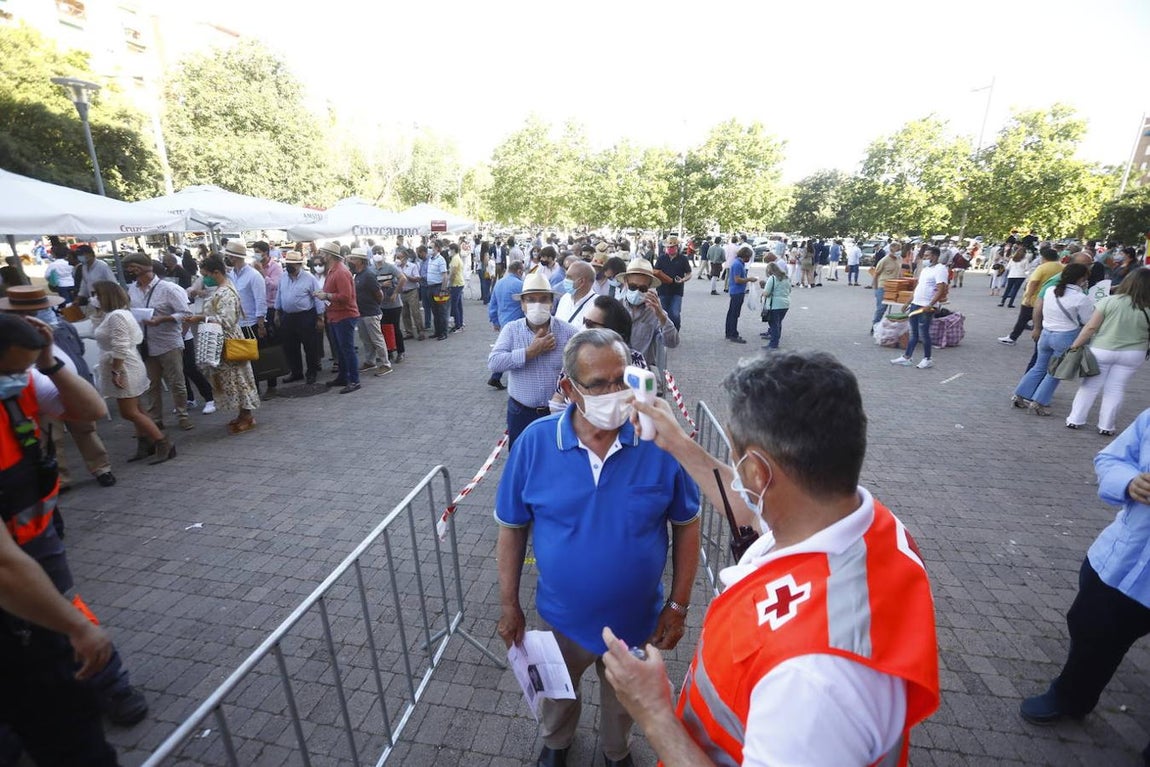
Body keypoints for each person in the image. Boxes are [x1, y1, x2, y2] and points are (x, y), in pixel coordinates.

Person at [601, 351, 939, 767]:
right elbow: (750, 509)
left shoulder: (813, 682)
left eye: (738, 458)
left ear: (760, 472)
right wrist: (675, 442)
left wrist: (653, 713)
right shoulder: (857, 520)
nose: (737, 472)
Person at [496, 328, 700, 767]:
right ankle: (556, 743)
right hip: (560, 619)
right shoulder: (535, 442)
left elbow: (687, 523)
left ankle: (616, 750)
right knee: (557, 693)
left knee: (626, 702)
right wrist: (509, 603)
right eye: (599, 385)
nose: (616, 394)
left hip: (636, 620)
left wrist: (680, 605)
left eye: (621, 380)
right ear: (568, 388)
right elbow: (512, 528)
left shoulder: (658, 441)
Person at [0, 314, 150, 748]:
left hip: (36, 537)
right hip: (12, 552)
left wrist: (48, 362)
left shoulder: (26, 377)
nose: (17, 377)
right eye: (11, 370)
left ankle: (109, 682)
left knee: (67, 610)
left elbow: (91, 410)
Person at [1020, 408, 1150, 767]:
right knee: (1091, 627)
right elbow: (1111, 457)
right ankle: (1072, 696)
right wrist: (1128, 482)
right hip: (1123, 559)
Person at [0, 286, 117, 487]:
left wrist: (53, 367)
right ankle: (60, 477)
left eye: (39, 309)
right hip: (43, 400)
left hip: (70, 388)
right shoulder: (14, 341)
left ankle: (101, 468)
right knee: (53, 438)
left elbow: (78, 354)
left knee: (86, 431)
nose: (35, 315)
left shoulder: (61, 328)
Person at [487, 271, 578, 446]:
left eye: (543, 299)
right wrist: (529, 352)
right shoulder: (512, 330)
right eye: (531, 299)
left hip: (557, 413)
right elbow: (494, 362)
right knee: (521, 460)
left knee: (555, 460)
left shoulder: (568, 333)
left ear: (551, 303)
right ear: (522, 304)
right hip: (521, 412)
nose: (537, 304)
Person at [1065, 268, 1150, 435]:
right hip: (1134, 354)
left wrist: (1075, 345)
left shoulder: (1110, 301)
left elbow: (1091, 327)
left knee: (1089, 386)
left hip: (1102, 349)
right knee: (1116, 388)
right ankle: (1106, 426)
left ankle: (1075, 419)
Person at [183, 255, 261, 433]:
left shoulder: (225, 291)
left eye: (206, 274)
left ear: (216, 272)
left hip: (229, 341)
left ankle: (247, 414)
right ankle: (242, 413)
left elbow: (227, 320)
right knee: (231, 379)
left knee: (238, 378)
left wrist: (202, 317)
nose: (205, 279)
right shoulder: (221, 288)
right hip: (221, 340)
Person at [122, 252, 193, 434]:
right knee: (152, 383)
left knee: (176, 381)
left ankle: (183, 415)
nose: (129, 271)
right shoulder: (133, 289)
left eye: (132, 268)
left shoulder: (168, 288)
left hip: (168, 342)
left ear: (142, 268)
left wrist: (163, 319)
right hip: (146, 343)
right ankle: (156, 418)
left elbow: (186, 314)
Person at [1011, 264, 1093, 416]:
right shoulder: (1081, 298)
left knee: (1038, 367)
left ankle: (1019, 395)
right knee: (1054, 372)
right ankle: (1039, 402)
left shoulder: (1050, 291)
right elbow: (1087, 320)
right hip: (1065, 335)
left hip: (1046, 333)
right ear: (1082, 279)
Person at [313, 244, 362, 393]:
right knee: (341, 350)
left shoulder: (340, 272)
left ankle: (354, 380)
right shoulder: (334, 270)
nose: (321, 255)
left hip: (344, 316)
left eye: (323, 253)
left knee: (347, 350)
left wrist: (326, 295)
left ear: (329, 255)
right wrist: (325, 293)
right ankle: (343, 376)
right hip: (336, 316)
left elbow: (346, 297)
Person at [891, 246, 948, 369]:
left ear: (935, 256)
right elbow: (918, 287)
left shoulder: (940, 269)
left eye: (927, 256)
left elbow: (941, 289)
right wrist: (908, 302)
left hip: (926, 306)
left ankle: (927, 359)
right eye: (925, 255)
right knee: (914, 332)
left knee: (924, 333)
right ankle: (907, 357)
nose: (925, 258)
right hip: (916, 303)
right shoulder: (926, 269)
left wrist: (931, 304)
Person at [275, 251, 325, 385]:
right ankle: (296, 372)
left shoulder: (309, 278)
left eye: (292, 264)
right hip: (288, 316)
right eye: (288, 263)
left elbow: (318, 298)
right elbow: (279, 294)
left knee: (310, 346)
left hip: (305, 316)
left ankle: (311, 372)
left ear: (299, 264)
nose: (290, 266)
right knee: (290, 347)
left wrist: (320, 317)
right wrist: (277, 312)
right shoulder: (283, 277)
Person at [998, 247, 1064, 346]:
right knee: (1043, 320)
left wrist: (1028, 297)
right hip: (1051, 298)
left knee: (1023, 319)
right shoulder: (1062, 267)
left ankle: (1013, 337)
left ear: (1044, 257)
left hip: (1035, 298)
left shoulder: (1043, 267)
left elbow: (1034, 282)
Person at [347, 248, 392, 377]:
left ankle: (385, 363)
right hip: (362, 312)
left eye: (353, 259)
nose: (351, 261)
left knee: (377, 339)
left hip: (371, 312)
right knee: (366, 339)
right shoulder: (359, 274)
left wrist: (374, 305)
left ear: (361, 261)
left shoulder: (368, 274)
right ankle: (370, 361)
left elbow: (379, 294)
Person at [375, 249, 407, 364]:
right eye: (375, 253)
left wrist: (395, 293)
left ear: (384, 254)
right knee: (383, 329)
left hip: (394, 304)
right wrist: (381, 284)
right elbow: (372, 284)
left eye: (379, 252)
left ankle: (400, 352)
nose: (377, 255)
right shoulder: (372, 269)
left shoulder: (390, 267)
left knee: (395, 328)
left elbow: (403, 278)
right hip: (381, 304)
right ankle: (388, 352)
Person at [654, 236, 692, 330]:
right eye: (668, 247)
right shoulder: (661, 258)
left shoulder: (683, 259)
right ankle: (664, 332)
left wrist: (683, 280)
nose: (669, 249)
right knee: (663, 313)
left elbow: (689, 273)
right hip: (662, 290)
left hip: (677, 291)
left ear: (677, 247)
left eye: (672, 247)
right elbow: (655, 271)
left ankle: (675, 330)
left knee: (675, 313)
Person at [725, 246, 758, 344]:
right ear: (746, 256)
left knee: (731, 313)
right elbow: (737, 279)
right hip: (737, 291)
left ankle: (729, 332)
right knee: (734, 313)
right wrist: (749, 279)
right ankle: (733, 334)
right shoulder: (738, 264)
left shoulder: (738, 263)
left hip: (736, 291)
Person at [759, 259, 791, 350]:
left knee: (773, 324)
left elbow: (767, 292)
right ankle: (776, 339)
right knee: (778, 323)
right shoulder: (786, 278)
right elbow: (789, 290)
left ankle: (773, 344)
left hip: (775, 305)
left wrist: (763, 293)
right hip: (785, 304)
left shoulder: (772, 278)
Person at [871, 245, 904, 330]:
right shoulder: (884, 260)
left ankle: (884, 326)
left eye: (900, 249)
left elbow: (899, 272)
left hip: (895, 287)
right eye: (897, 249)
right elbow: (876, 275)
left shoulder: (899, 259)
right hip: (883, 287)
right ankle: (875, 326)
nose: (899, 251)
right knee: (881, 308)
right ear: (891, 250)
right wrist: (876, 289)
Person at [554, 261, 596, 327]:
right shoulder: (565, 298)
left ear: (582, 282)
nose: (565, 280)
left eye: (569, 277)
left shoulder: (596, 306)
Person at [398, 248, 426, 341]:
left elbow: (417, 278)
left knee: (415, 312)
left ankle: (420, 331)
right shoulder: (395, 267)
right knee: (405, 313)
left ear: (405, 257)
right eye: (397, 257)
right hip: (402, 292)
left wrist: (406, 276)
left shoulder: (412, 266)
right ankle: (409, 332)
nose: (398, 259)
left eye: (400, 257)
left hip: (412, 291)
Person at [425, 244, 450, 341]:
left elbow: (445, 275)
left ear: (437, 248)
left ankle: (443, 332)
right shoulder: (431, 259)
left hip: (438, 287)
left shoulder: (441, 260)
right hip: (430, 287)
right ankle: (437, 331)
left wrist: (443, 289)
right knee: (435, 311)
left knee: (441, 311)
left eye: (431, 247)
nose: (429, 249)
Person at [448, 243, 466, 333]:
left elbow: (453, 273)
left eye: (450, 250)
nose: (449, 252)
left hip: (456, 284)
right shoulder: (457, 257)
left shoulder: (455, 259)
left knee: (455, 305)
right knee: (458, 305)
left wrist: (449, 284)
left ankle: (458, 325)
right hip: (459, 283)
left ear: (453, 250)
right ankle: (460, 323)